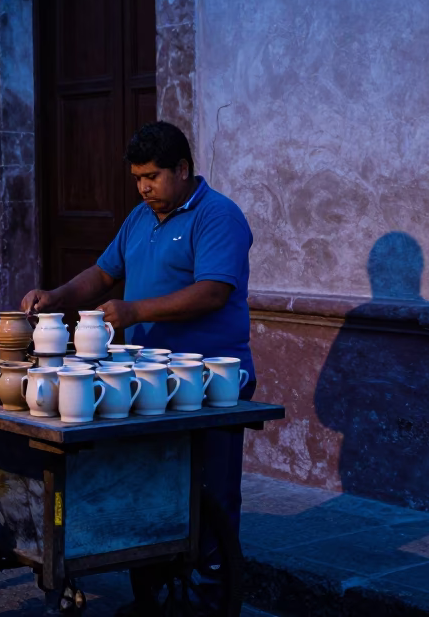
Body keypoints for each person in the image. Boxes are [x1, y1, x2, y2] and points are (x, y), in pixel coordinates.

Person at [21, 120, 256, 533]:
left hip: (209, 380)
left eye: (152, 177)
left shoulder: (219, 216)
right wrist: (57, 296)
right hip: (149, 378)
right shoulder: (140, 217)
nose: (144, 188)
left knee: (208, 493)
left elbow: (212, 293)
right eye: (137, 179)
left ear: (182, 169)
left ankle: (210, 588)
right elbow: (104, 273)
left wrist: (135, 311)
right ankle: (154, 595)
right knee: (152, 491)